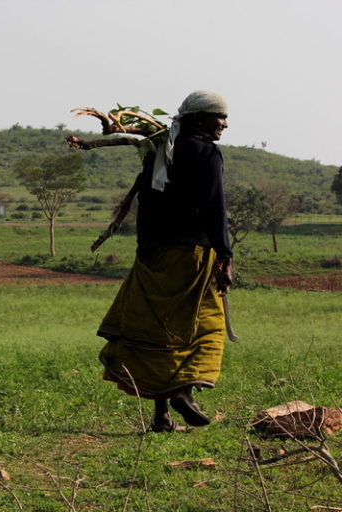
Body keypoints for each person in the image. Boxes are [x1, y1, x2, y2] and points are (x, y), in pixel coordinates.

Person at [96, 90, 234, 433]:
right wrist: (226, 255)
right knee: (196, 326)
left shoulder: (160, 149)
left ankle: (161, 417)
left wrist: (145, 248)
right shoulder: (207, 153)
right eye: (220, 117)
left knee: (155, 329)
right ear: (200, 119)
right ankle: (182, 393)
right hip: (192, 254)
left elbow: (147, 200)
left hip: (154, 253)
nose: (225, 124)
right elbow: (215, 208)